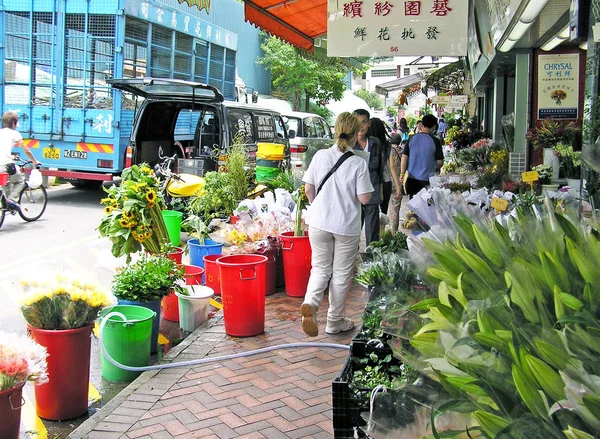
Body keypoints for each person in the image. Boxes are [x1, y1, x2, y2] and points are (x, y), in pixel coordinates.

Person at [300, 112, 373, 337]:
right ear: (355, 134)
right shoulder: (358, 163)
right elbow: (364, 199)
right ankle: (335, 321)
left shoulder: (320, 155)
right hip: (346, 226)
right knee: (341, 274)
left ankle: (311, 303)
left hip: (319, 223)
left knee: (320, 268)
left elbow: (308, 190)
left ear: (335, 130)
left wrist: (320, 206)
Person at [353, 108, 384, 246]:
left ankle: (372, 258)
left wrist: (381, 191)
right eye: (358, 122)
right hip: (353, 191)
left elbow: (380, 168)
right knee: (353, 227)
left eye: (364, 122)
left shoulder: (375, 143)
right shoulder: (349, 144)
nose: (361, 126)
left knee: (372, 229)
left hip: (372, 189)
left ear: (369, 123)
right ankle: (351, 256)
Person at [0, 111, 39, 210]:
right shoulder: (15, 134)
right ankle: (12, 200)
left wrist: (11, 156)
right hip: (5, 164)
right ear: (13, 123)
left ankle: (5, 202)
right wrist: (34, 161)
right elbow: (26, 150)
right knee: (20, 179)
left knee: (6, 182)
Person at [400, 114, 444, 198]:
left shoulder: (412, 139)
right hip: (428, 180)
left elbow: (404, 157)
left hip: (412, 179)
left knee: (414, 205)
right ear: (434, 126)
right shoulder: (435, 141)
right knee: (427, 205)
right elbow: (440, 162)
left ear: (422, 124)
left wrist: (402, 174)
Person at [367, 118, 392, 217]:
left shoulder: (366, 144)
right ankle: (380, 232)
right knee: (382, 213)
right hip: (385, 181)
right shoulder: (387, 146)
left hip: (368, 180)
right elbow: (391, 166)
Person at [388, 134, 405, 233]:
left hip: (387, 181)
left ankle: (383, 231)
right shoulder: (402, 151)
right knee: (395, 209)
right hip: (398, 182)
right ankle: (394, 231)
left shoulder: (387, 150)